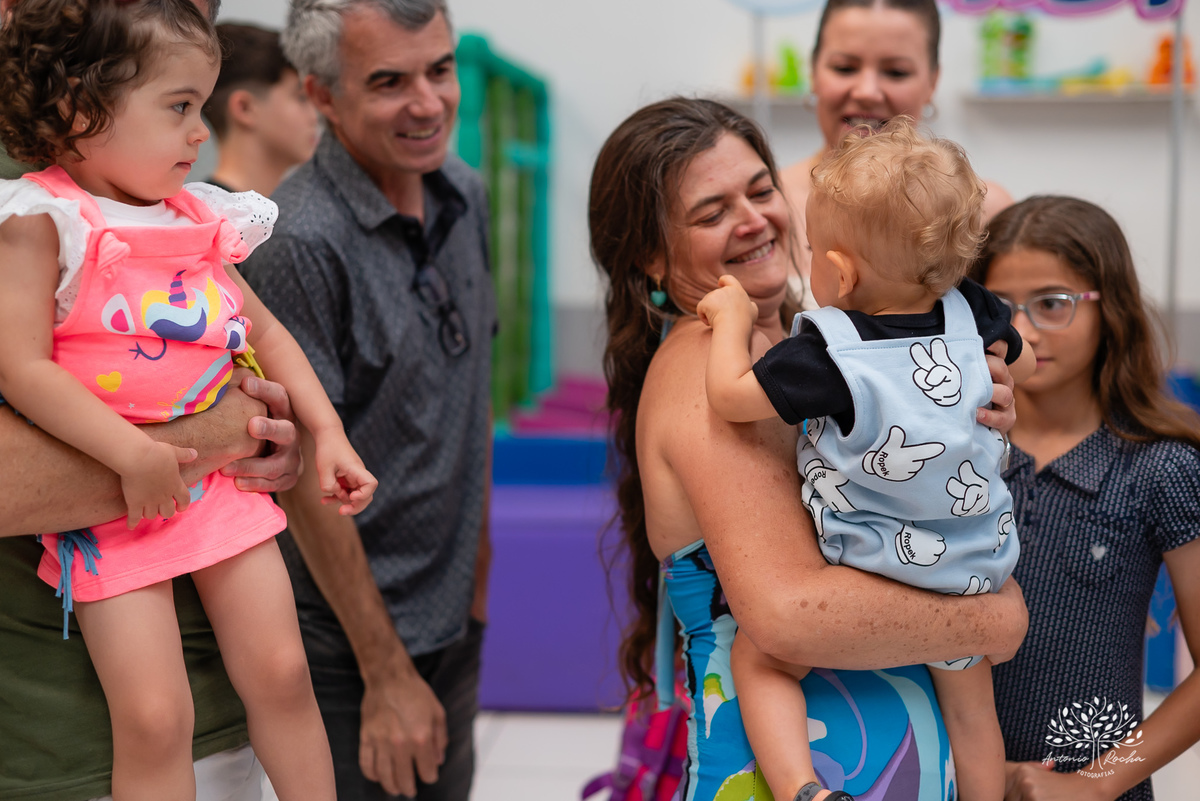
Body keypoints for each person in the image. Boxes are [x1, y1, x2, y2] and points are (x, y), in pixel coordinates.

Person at [591, 96, 1029, 801]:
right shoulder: (706, 366)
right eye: (711, 212)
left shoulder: (813, 352)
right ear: (650, 254)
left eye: (761, 189)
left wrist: (980, 400)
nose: (753, 219)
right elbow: (788, 615)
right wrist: (992, 617)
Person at [0, 0, 380, 797]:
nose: (200, 131)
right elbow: (22, 368)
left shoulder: (195, 212)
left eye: (201, 106)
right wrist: (131, 453)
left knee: (282, 670)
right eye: (179, 107)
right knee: (152, 715)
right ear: (81, 105)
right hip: (115, 506)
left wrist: (327, 429)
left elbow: (265, 330)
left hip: (215, 494)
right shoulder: (44, 216)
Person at [240, 1, 495, 798]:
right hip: (352, 643)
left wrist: (478, 576)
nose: (427, 102)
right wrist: (384, 671)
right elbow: (312, 472)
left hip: (452, 617)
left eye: (439, 70)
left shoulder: (463, 192)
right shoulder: (300, 238)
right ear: (321, 94)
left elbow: (471, 380)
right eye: (388, 81)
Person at [970, 196, 1200, 801]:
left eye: (1053, 304)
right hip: (948, 782)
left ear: (1110, 307)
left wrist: (1096, 785)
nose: (1022, 331)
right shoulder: (955, 456)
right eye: (1000, 309)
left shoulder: (1162, 467)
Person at [780, 0, 1014, 307]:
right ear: (813, 72)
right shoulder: (766, 206)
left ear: (932, 82)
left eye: (895, 72)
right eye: (844, 68)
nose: (866, 91)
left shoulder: (983, 211)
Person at [203, 22, 320, 197]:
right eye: (301, 98)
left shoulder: (288, 214)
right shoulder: (209, 221)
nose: (315, 117)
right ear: (245, 108)